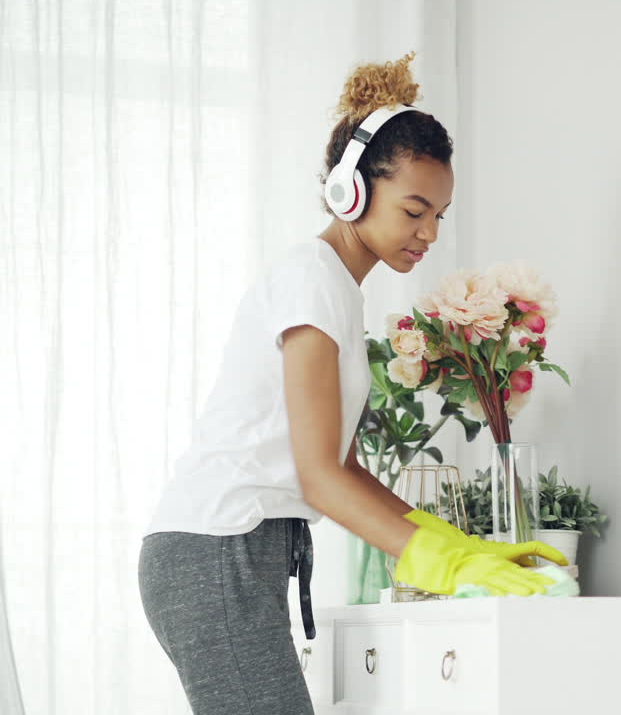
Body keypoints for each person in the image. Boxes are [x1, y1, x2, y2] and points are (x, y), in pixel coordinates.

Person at [136, 51, 567, 715]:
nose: (428, 233)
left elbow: (343, 468)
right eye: (415, 209)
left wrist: (457, 548)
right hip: (218, 550)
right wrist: (447, 566)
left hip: (227, 552)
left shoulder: (335, 288)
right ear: (352, 192)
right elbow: (319, 479)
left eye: (439, 216)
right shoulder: (313, 278)